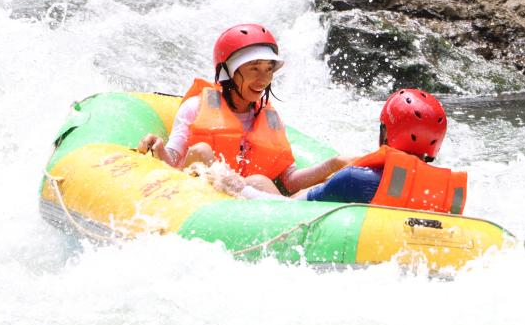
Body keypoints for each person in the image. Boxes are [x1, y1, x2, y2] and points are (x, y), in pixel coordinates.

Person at [137, 23, 351, 195]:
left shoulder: (271, 119)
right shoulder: (195, 108)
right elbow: (172, 163)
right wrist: (158, 147)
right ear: (228, 72)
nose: (263, 78)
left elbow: (290, 180)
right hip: (201, 197)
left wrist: (333, 165)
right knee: (201, 151)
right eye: (254, 68)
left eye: (269, 69)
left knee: (259, 181)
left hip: (249, 204)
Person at [297, 88, 468, 214]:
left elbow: (290, 207)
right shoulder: (448, 194)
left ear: (385, 133)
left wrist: (331, 174)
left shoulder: (353, 179)